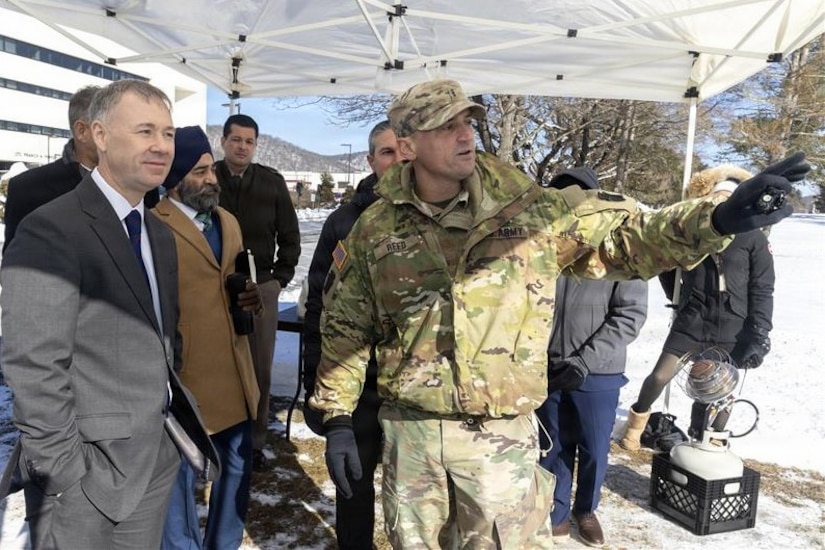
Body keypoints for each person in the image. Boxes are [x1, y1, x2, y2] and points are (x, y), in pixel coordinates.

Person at [306, 78, 808, 548]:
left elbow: (622, 238)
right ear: (410, 144)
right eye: (446, 126)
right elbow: (347, 326)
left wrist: (716, 218)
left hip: (497, 440)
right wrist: (338, 420)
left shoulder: (528, 210)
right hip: (410, 438)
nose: (465, 136)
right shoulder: (374, 230)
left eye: (468, 122)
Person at [0, 79, 217, 549]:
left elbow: (160, 338)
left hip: (153, 459)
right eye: (144, 131)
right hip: (85, 478)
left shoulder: (156, 232)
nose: (162, 146)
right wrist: (66, 472)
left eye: (168, 133)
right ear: (99, 135)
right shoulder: (52, 228)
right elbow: (33, 365)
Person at [155, 126, 262, 549]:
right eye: (200, 172)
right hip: (187, 380)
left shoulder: (227, 220)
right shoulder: (153, 224)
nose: (212, 179)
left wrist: (251, 297)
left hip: (236, 373)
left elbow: (235, 276)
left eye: (210, 170)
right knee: (179, 483)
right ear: (176, 178)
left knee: (236, 473)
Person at [619, 164, 776, 451]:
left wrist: (760, 333)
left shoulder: (753, 238)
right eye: (716, 202)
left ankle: (707, 441)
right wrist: (679, 299)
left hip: (733, 324)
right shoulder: (692, 233)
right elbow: (665, 264)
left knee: (719, 388)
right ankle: (635, 425)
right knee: (660, 376)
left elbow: (763, 288)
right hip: (691, 320)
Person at [535, 167, 648, 547]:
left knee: (595, 449)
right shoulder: (541, 249)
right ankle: (557, 510)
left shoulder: (620, 250)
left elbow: (629, 315)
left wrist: (584, 361)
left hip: (597, 372)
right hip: (548, 368)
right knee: (553, 446)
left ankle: (586, 509)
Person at [302, 120, 403, 549]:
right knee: (354, 486)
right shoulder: (344, 222)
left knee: (415, 497)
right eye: (385, 152)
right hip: (356, 386)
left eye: (402, 150)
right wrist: (315, 380)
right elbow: (317, 306)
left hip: (413, 389)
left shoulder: (441, 217)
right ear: (370, 161)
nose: (396, 160)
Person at [216, 114, 301, 470]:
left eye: (249, 141)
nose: (242, 147)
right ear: (223, 142)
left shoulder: (271, 183)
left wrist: (278, 279)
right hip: (214, 285)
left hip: (260, 285)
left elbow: (290, 234)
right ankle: (217, 437)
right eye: (236, 140)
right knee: (217, 363)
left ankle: (254, 441)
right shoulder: (207, 177)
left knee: (258, 367)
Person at [3, 85, 100, 251]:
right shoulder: (27, 188)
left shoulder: (137, 185)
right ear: (81, 131)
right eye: (109, 126)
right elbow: (16, 262)